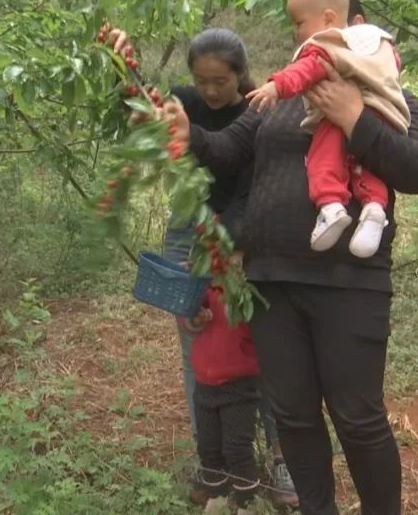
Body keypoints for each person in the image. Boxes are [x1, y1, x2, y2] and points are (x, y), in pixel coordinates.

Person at [155, 0, 418, 515]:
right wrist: (190, 135)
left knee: (357, 415)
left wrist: (352, 117)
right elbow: (227, 150)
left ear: (356, 30)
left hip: (348, 283)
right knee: (295, 414)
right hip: (270, 282)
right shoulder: (279, 100)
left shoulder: (390, 99)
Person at [106, 27, 298, 507]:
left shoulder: (258, 109)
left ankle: (281, 459)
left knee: (262, 347)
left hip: (244, 236)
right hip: (189, 230)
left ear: (241, 75)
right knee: (199, 346)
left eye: (221, 81)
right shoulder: (185, 101)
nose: (210, 90)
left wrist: (229, 245)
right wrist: (120, 63)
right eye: (202, 80)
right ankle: (211, 462)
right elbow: (142, 108)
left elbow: (251, 189)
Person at [246, 0, 410, 257]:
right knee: (369, 169)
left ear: (328, 18)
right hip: (386, 115)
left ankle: (330, 205)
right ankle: (374, 209)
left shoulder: (328, 45)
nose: (296, 33)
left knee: (324, 157)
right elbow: (390, 68)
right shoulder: (378, 44)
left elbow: (305, 70)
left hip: (341, 125)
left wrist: (276, 86)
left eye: (298, 24)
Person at [181, 281, 261, 515]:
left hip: (239, 384)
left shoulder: (246, 285)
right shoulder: (205, 281)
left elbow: (255, 327)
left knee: (237, 447)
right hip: (204, 381)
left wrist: (236, 310)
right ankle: (217, 497)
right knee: (208, 446)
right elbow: (189, 320)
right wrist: (196, 318)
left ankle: (247, 503)